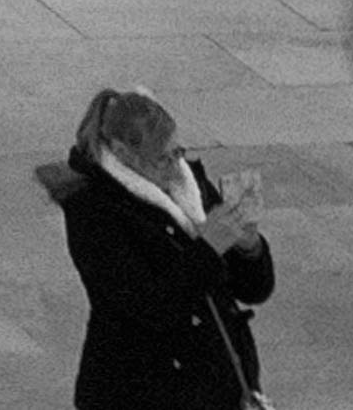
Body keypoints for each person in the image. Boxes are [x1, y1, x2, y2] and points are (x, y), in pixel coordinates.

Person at [44, 87, 274, 409]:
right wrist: (209, 248)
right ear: (123, 154)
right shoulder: (94, 211)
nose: (173, 166)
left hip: (219, 390)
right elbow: (151, 305)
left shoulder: (189, 185)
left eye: (177, 152)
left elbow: (253, 289)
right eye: (161, 158)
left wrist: (249, 249)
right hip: (143, 392)